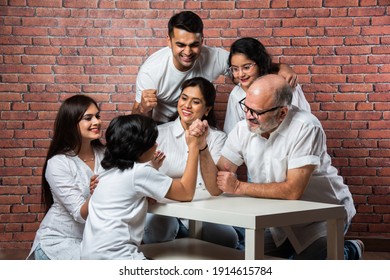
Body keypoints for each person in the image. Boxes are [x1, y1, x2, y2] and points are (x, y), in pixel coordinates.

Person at [216, 74, 364, 260]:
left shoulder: (306, 127)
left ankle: (350, 250)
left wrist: (238, 187)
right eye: (246, 107)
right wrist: (201, 147)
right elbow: (221, 172)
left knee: (304, 268)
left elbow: (293, 191)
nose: (248, 116)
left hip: (321, 216)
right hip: (277, 219)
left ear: (282, 113)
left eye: (257, 112)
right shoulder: (242, 128)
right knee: (248, 261)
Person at [132, 10, 297, 123]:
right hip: (162, 123)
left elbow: (249, 66)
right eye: (181, 45)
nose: (188, 52)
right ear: (169, 41)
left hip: (200, 119)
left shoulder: (214, 56)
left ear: (202, 41)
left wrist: (280, 67)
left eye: (194, 44)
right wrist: (143, 108)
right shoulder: (151, 71)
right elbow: (137, 119)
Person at [80, 114, 202, 260]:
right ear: (138, 149)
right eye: (152, 142)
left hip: (89, 257)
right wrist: (194, 147)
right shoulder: (140, 172)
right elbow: (186, 192)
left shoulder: (104, 171)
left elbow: (128, 189)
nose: (157, 145)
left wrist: (152, 170)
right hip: (117, 257)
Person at [143, 77, 239, 248]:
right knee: (157, 232)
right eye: (184, 98)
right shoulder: (158, 133)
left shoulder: (217, 138)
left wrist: (202, 146)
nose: (187, 106)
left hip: (202, 208)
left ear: (207, 109)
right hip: (164, 206)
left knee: (229, 240)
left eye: (195, 102)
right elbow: (144, 177)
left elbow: (214, 188)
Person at [27, 95, 105, 260]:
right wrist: (96, 193)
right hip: (60, 243)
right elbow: (80, 214)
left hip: (94, 241)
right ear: (71, 124)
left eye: (97, 116)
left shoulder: (106, 155)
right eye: (88, 118)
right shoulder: (58, 163)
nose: (97, 122)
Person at [223, 37, 311, 134]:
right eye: (235, 69)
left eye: (246, 67)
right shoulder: (236, 94)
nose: (240, 74)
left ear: (260, 63)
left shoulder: (284, 85)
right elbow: (232, 132)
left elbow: (305, 122)